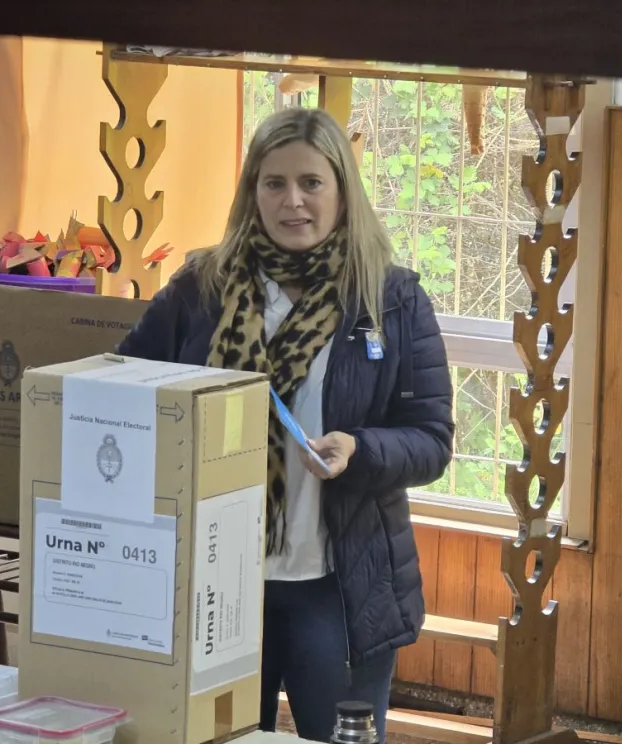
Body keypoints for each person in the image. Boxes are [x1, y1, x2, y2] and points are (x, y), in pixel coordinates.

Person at [117, 107, 454, 742]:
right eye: (273, 183)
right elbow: (124, 390)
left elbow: (432, 439)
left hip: (338, 587)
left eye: (311, 183)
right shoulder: (201, 288)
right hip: (215, 584)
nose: (292, 201)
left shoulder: (391, 298)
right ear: (252, 192)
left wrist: (361, 448)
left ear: (342, 190)